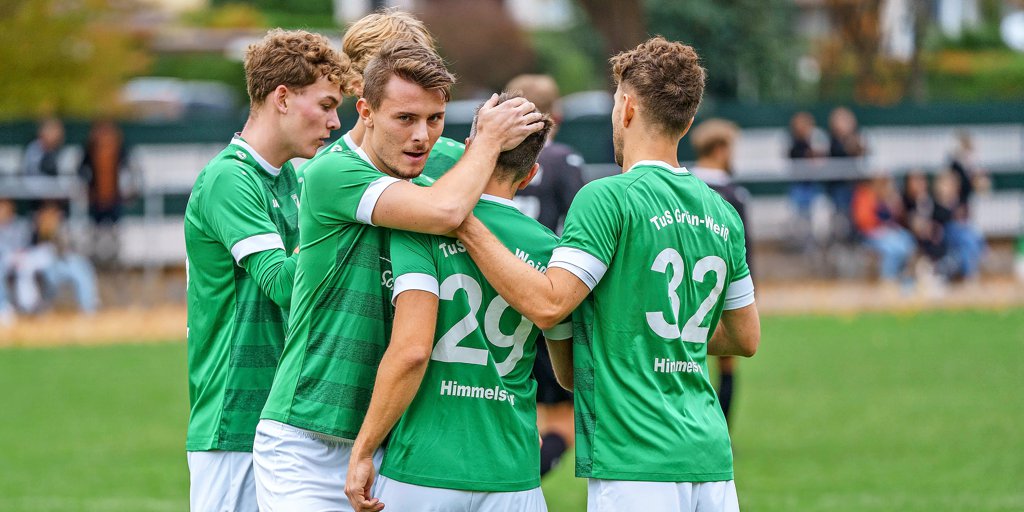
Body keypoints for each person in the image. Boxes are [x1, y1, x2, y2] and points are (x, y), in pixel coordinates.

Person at [452, 37, 760, 512]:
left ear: (627, 108)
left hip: (636, 458)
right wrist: (657, 336)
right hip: (710, 457)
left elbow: (549, 304)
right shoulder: (722, 212)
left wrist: (461, 219)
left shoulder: (607, 198)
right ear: (687, 121)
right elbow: (745, 337)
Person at [253, 41, 544, 512]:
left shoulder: (434, 175)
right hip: (308, 434)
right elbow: (446, 211)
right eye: (405, 118)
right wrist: (488, 142)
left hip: (386, 438)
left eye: (435, 119)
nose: (422, 136)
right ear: (366, 112)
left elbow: (494, 190)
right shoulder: (334, 172)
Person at [344, 95, 567, 512]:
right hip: (513, 470)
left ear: (469, 151)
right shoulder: (551, 248)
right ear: (530, 174)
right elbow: (567, 370)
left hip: (422, 467)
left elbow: (411, 352)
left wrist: (364, 449)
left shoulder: (420, 226)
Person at [183, 29, 352, 512]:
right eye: (325, 105)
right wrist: (338, 212)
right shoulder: (229, 177)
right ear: (282, 98)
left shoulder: (291, 178)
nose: (334, 122)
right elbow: (283, 284)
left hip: (283, 420)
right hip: (234, 420)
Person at [504, 72, 585, 476]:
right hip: (544, 290)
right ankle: (518, 481)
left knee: (513, 404)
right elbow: (580, 230)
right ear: (558, 115)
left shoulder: (494, 158)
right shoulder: (562, 160)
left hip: (495, 290)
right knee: (564, 421)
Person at [299, 8, 465, 186]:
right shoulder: (310, 178)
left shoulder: (459, 158)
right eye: (394, 75)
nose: (414, 85)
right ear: (356, 84)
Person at [690, 118, 751, 426]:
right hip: (719, 292)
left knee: (679, 361)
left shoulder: (682, 186)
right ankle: (721, 431)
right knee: (726, 364)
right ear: (720, 149)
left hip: (679, 291)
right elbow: (743, 255)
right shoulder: (733, 195)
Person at [14, 201, 99, 314]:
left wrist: (53, 234)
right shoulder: (32, 231)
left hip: (62, 265)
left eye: (52, 215)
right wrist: (43, 232)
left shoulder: (64, 229)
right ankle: (30, 307)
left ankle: (88, 307)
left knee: (81, 268)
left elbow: (66, 253)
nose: (49, 218)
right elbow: (29, 254)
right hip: (44, 269)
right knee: (27, 270)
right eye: (46, 215)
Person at [78, 118, 136, 264]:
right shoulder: (90, 148)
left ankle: (114, 260)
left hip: (114, 198)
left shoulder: (119, 148)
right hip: (96, 199)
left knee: (115, 233)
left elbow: (128, 170)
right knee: (95, 233)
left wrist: (128, 188)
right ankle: (96, 261)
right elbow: (82, 170)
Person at [851, 173, 916, 287]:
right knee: (892, 249)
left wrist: (893, 204)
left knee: (908, 240)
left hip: (888, 232)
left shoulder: (886, 196)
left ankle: (905, 278)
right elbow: (863, 222)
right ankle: (888, 279)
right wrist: (881, 225)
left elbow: (896, 218)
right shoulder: (865, 194)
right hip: (869, 235)